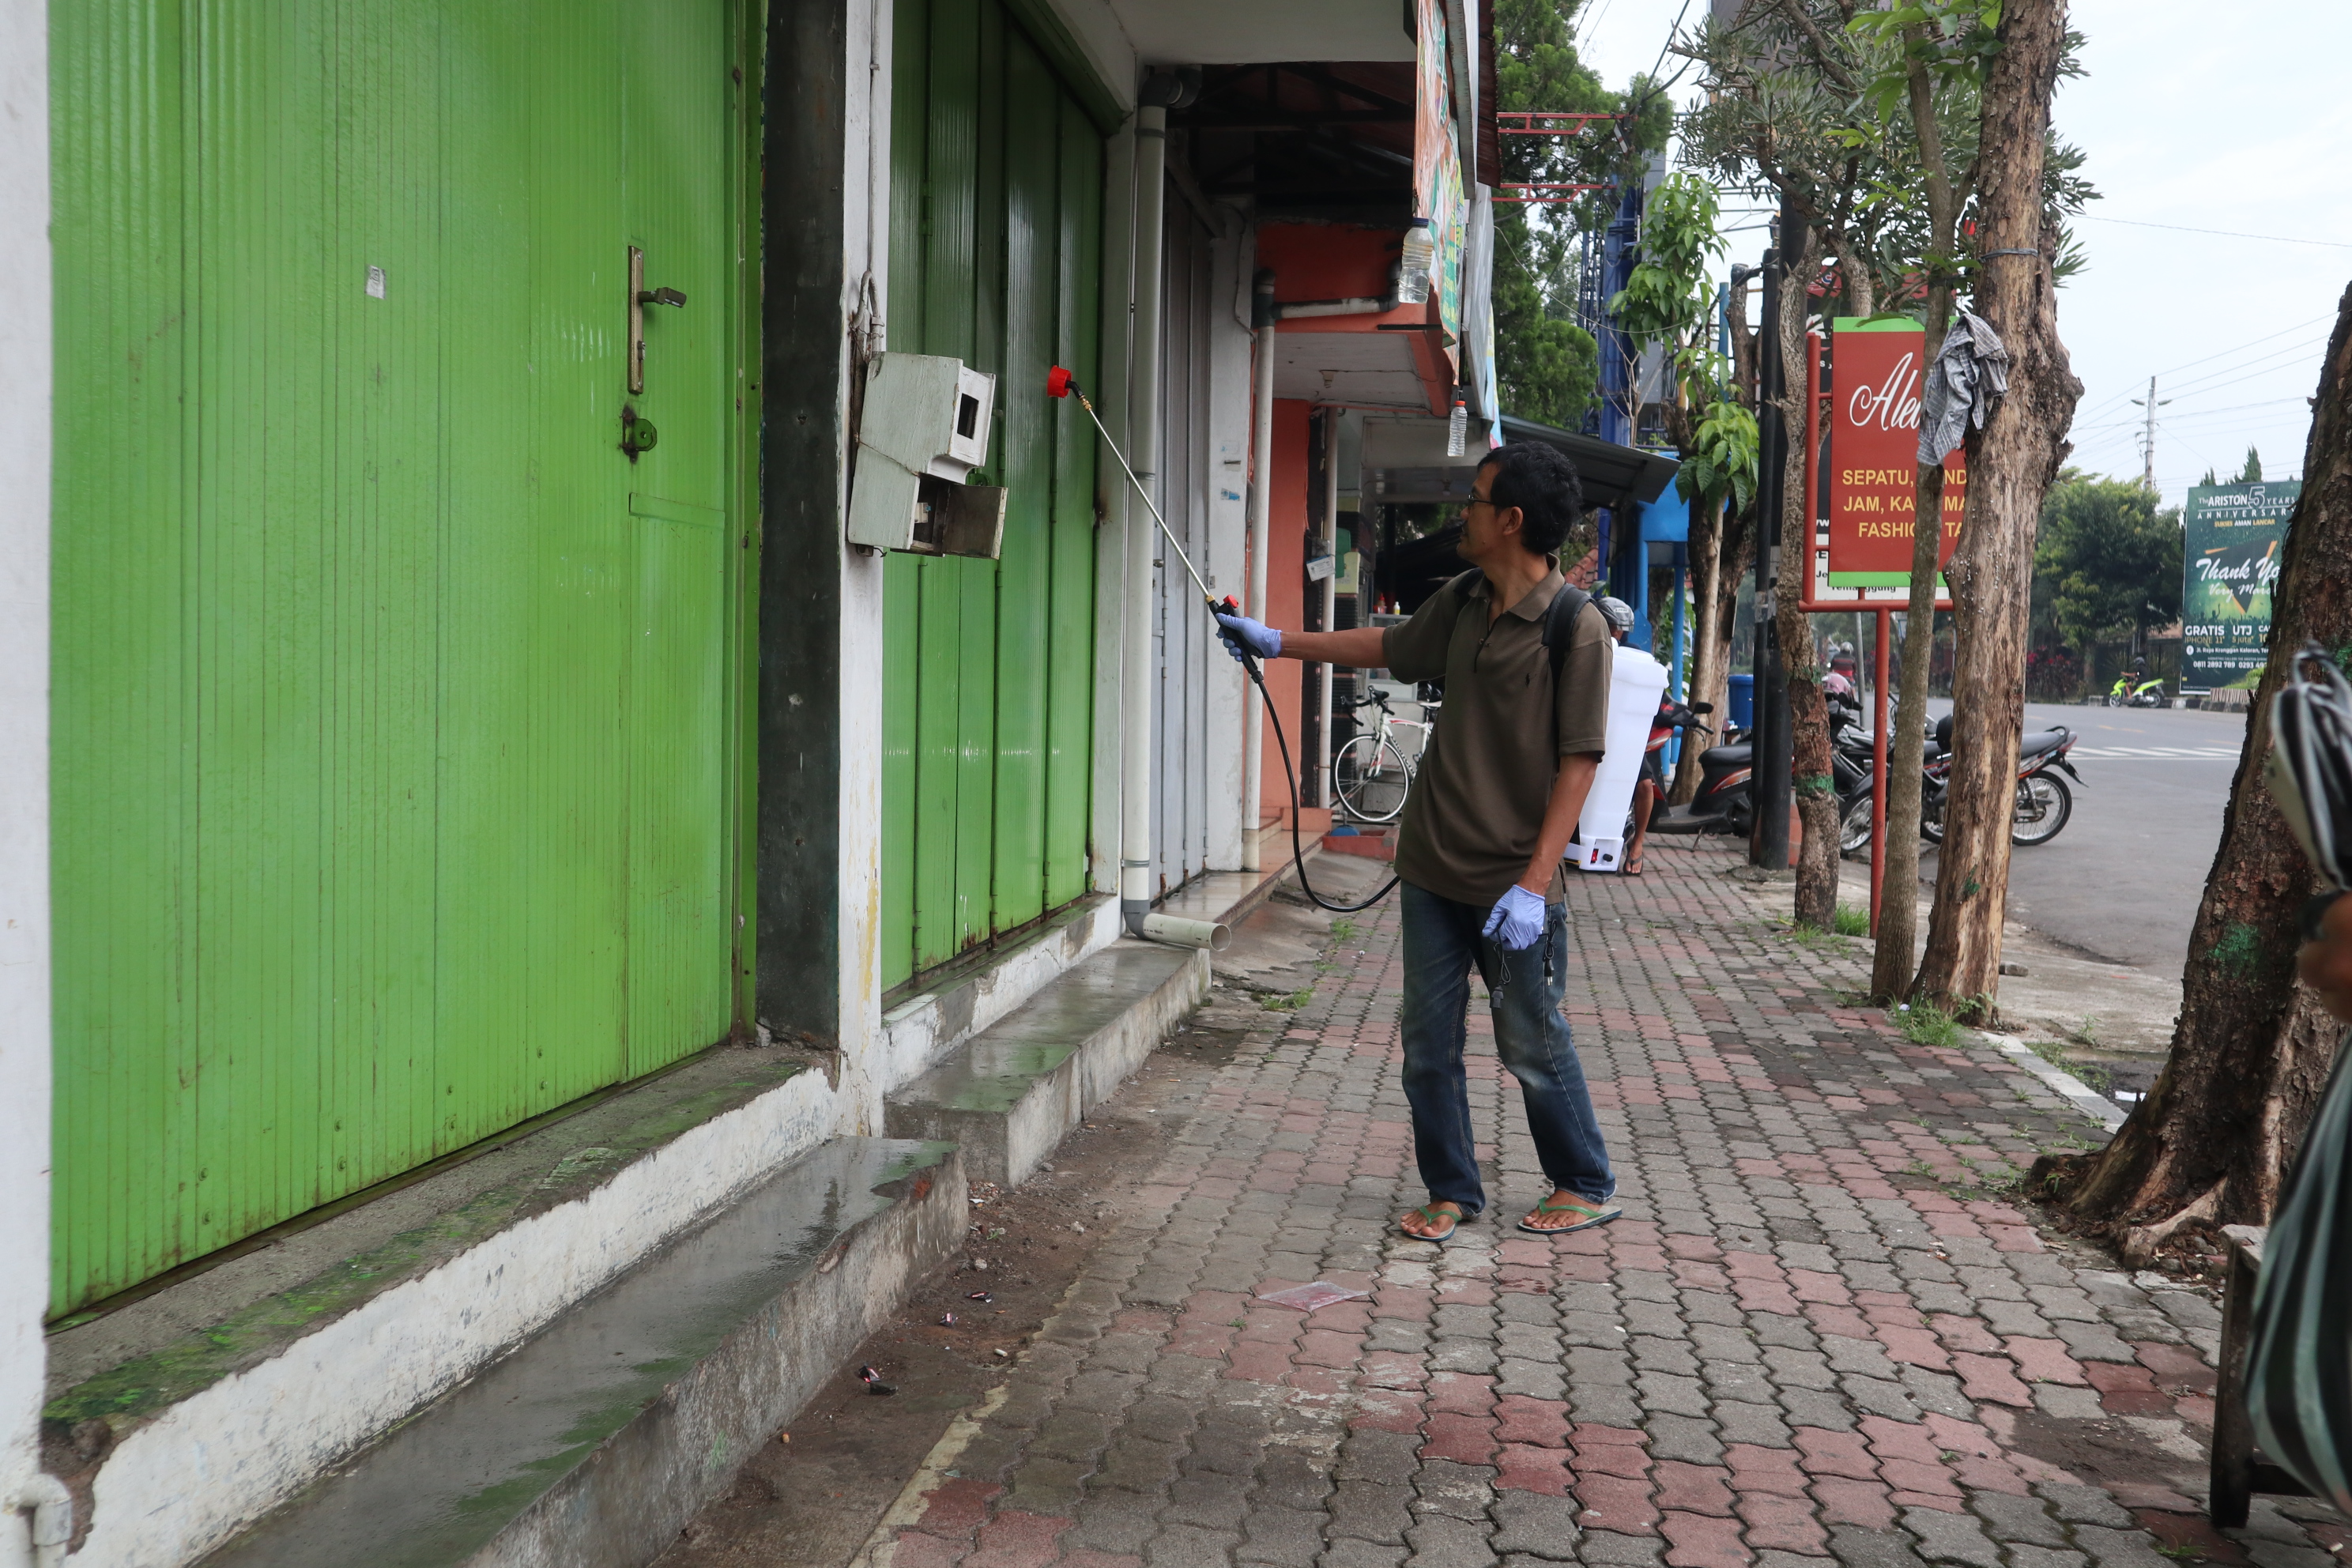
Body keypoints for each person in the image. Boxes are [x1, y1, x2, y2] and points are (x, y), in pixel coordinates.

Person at [1215, 443, 1617, 1242]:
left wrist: (1534, 885)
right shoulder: (1466, 599)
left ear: (1510, 520)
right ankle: (1452, 1187)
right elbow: (1388, 647)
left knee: (1530, 1042)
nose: (1460, 514)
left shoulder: (1578, 628)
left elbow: (1580, 766)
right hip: (1432, 866)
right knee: (1426, 1043)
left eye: (1473, 500)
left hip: (1511, 883)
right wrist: (1277, 642)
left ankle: (1584, 1178)